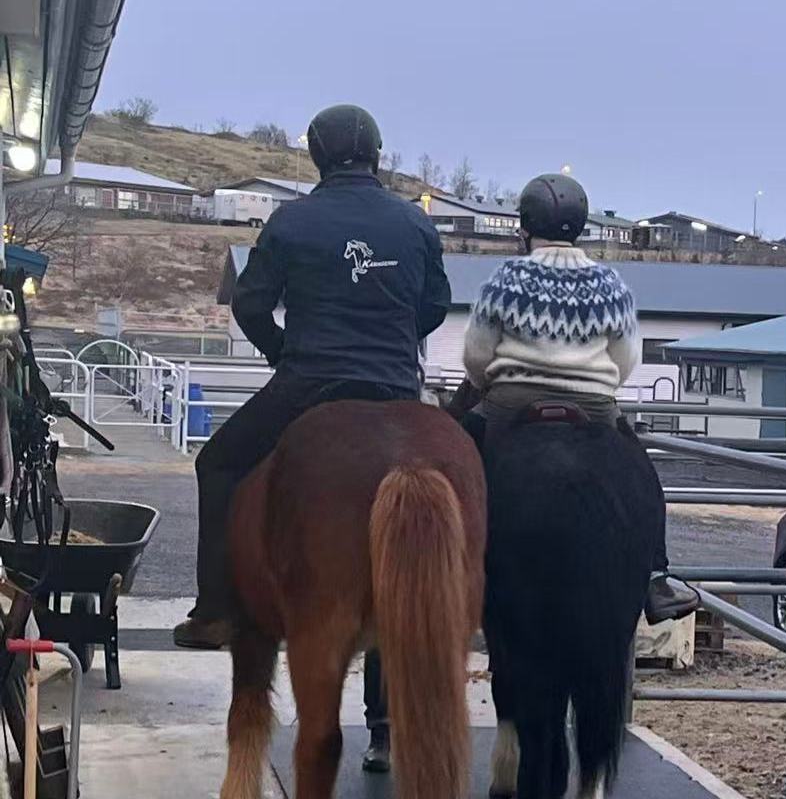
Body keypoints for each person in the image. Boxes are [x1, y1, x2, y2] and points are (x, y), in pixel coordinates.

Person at [174, 103, 451, 744]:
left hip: (308, 384)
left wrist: (281, 351)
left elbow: (249, 302)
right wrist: (393, 340)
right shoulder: (414, 222)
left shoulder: (292, 221)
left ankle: (216, 609)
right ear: (378, 155)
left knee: (215, 462)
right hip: (393, 387)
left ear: (317, 157)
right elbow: (435, 304)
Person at [460, 172, 699, 625]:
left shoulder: (505, 279)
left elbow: (476, 356)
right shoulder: (609, 284)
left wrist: (489, 383)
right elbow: (626, 360)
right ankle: (656, 577)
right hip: (592, 407)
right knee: (642, 474)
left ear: (525, 227)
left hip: (510, 404)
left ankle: (445, 564)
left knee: (449, 455)